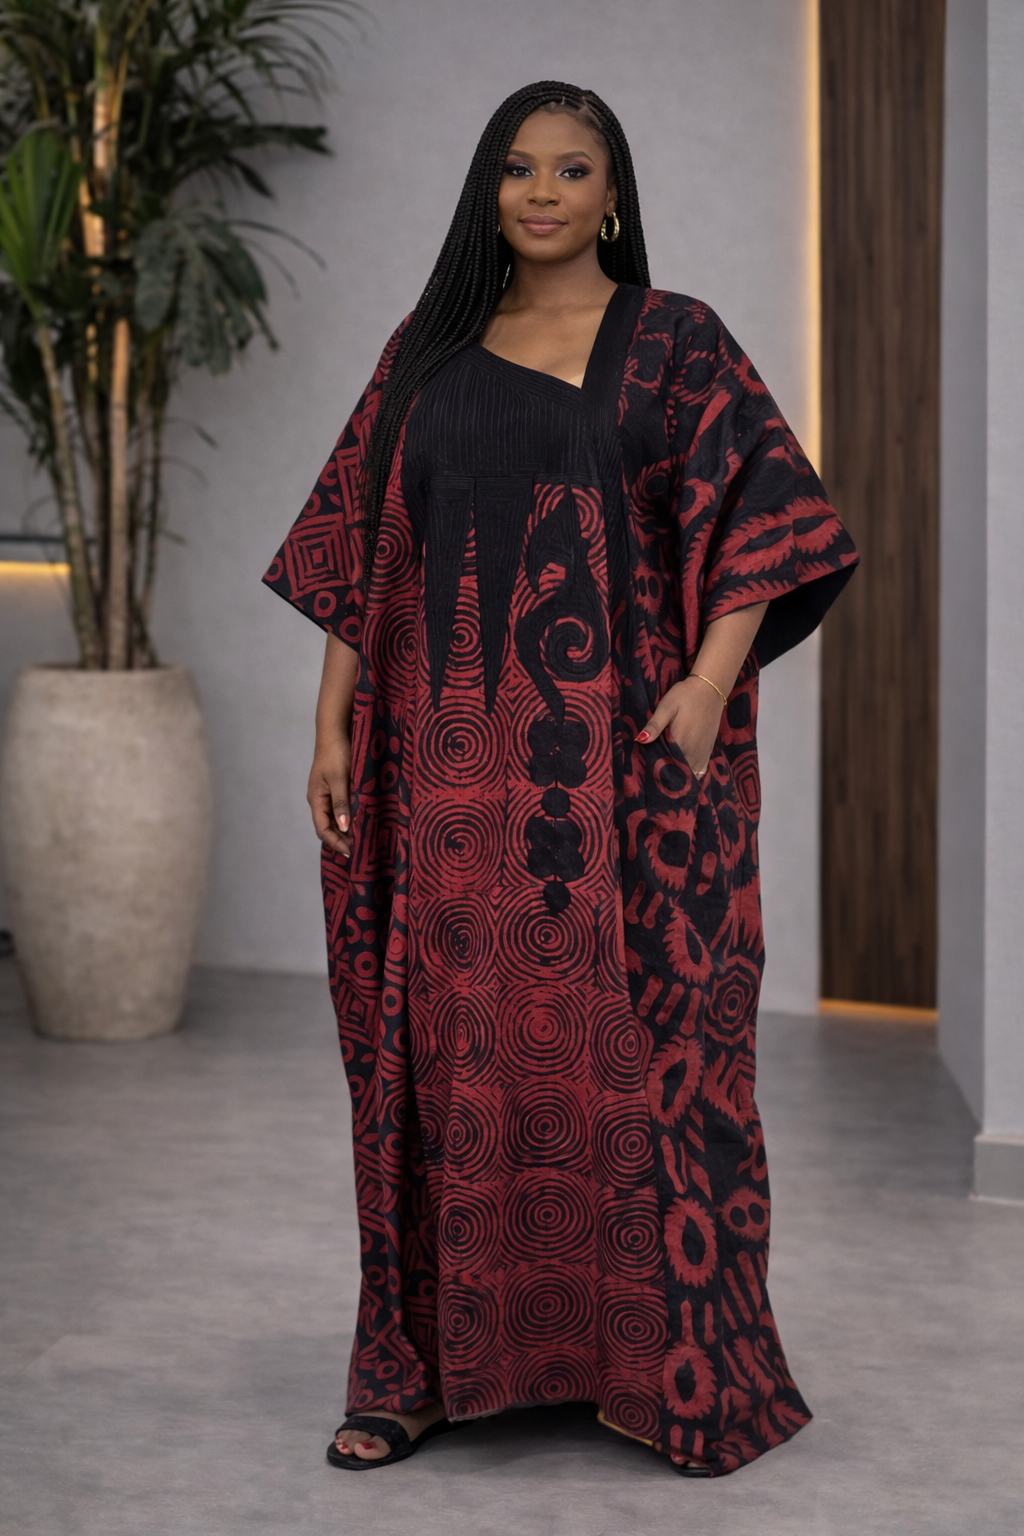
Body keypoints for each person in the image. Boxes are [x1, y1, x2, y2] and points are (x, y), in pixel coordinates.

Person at [263, 80, 857, 1478]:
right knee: (438, 1060)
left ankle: (659, 1371)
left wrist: (710, 688)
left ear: (613, 193)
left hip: (629, 779)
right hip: (443, 787)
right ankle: (418, 1370)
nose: (542, 192)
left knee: (648, 1066)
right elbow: (361, 554)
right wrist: (331, 726)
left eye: (572, 169)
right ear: (490, 190)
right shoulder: (427, 353)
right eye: (518, 169)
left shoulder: (675, 343)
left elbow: (770, 513)